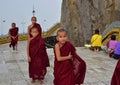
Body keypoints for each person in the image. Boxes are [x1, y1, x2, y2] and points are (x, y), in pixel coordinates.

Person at [27, 17, 50, 84]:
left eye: (35, 20)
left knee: (40, 65)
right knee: (33, 66)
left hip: (40, 55)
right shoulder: (29, 27)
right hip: (32, 54)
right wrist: (28, 56)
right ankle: (33, 78)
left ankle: (40, 78)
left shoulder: (38, 27)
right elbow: (27, 48)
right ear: (31, 20)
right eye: (32, 20)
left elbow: (43, 48)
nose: (34, 21)